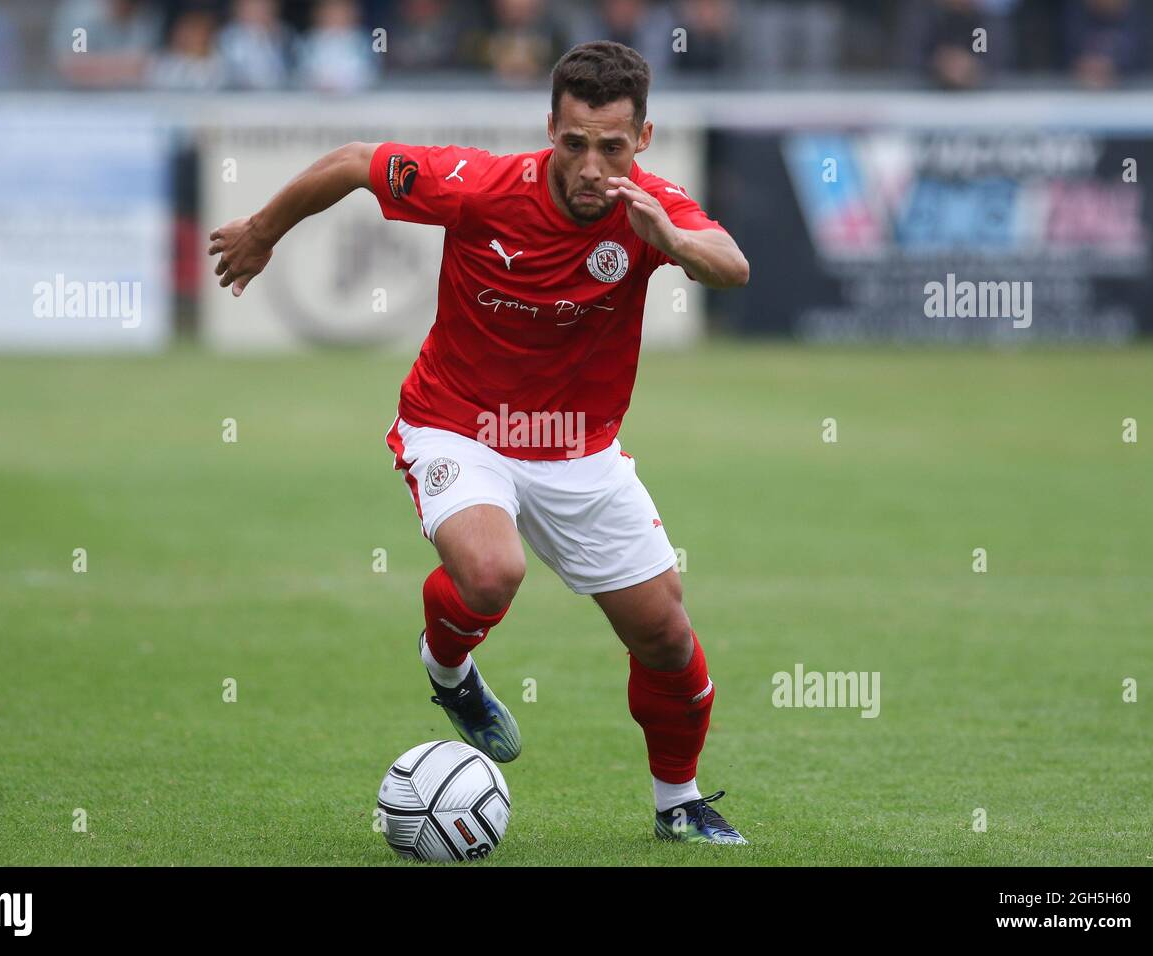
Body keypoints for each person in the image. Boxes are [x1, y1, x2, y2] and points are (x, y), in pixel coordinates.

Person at [207, 41, 751, 845]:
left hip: (578, 450)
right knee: (494, 573)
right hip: (460, 423)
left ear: (643, 139)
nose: (591, 166)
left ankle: (680, 803)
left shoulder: (654, 210)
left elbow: (732, 267)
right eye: (573, 143)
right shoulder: (481, 187)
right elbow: (358, 162)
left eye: (611, 146)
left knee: (667, 636)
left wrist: (667, 240)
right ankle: (448, 669)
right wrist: (262, 229)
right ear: (550, 132)